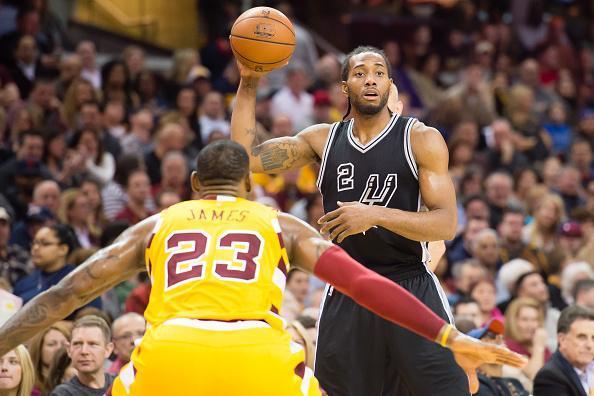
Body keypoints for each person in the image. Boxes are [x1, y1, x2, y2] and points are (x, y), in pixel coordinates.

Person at [0, 141, 524, 395]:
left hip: (171, 352)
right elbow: (366, 284)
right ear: (248, 189)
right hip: (259, 357)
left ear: (194, 188)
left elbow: (63, 295)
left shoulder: (157, 225)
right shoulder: (278, 224)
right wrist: (449, 337)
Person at [231, 45, 468, 395]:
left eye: (379, 73)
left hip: (411, 284)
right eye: (360, 73)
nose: (370, 80)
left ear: (389, 84)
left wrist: (373, 214)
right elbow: (247, 158)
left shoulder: (421, 138)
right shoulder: (322, 140)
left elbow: (446, 223)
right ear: (345, 86)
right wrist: (249, 82)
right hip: (349, 288)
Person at [533, 305, 594, 396]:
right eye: (582, 337)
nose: (589, 345)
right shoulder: (550, 377)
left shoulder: (590, 368)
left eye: (593, 338)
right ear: (562, 340)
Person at [51, 316, 114, 396]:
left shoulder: (122, 384)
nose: (84, 351)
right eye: (77, 344)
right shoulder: (63, 393)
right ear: (69, 350)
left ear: (108, 350)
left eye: (92, 344)